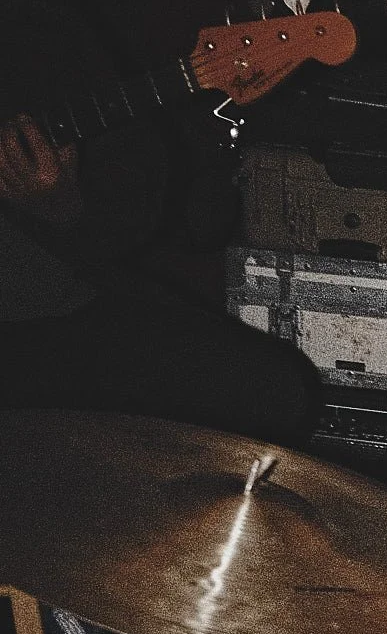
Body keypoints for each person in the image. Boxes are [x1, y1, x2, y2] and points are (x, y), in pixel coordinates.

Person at [0, 99, 319, 445]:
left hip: (65, 305)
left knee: (272, 388)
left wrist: (59, 210)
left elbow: (117, 237)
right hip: (33, 337)